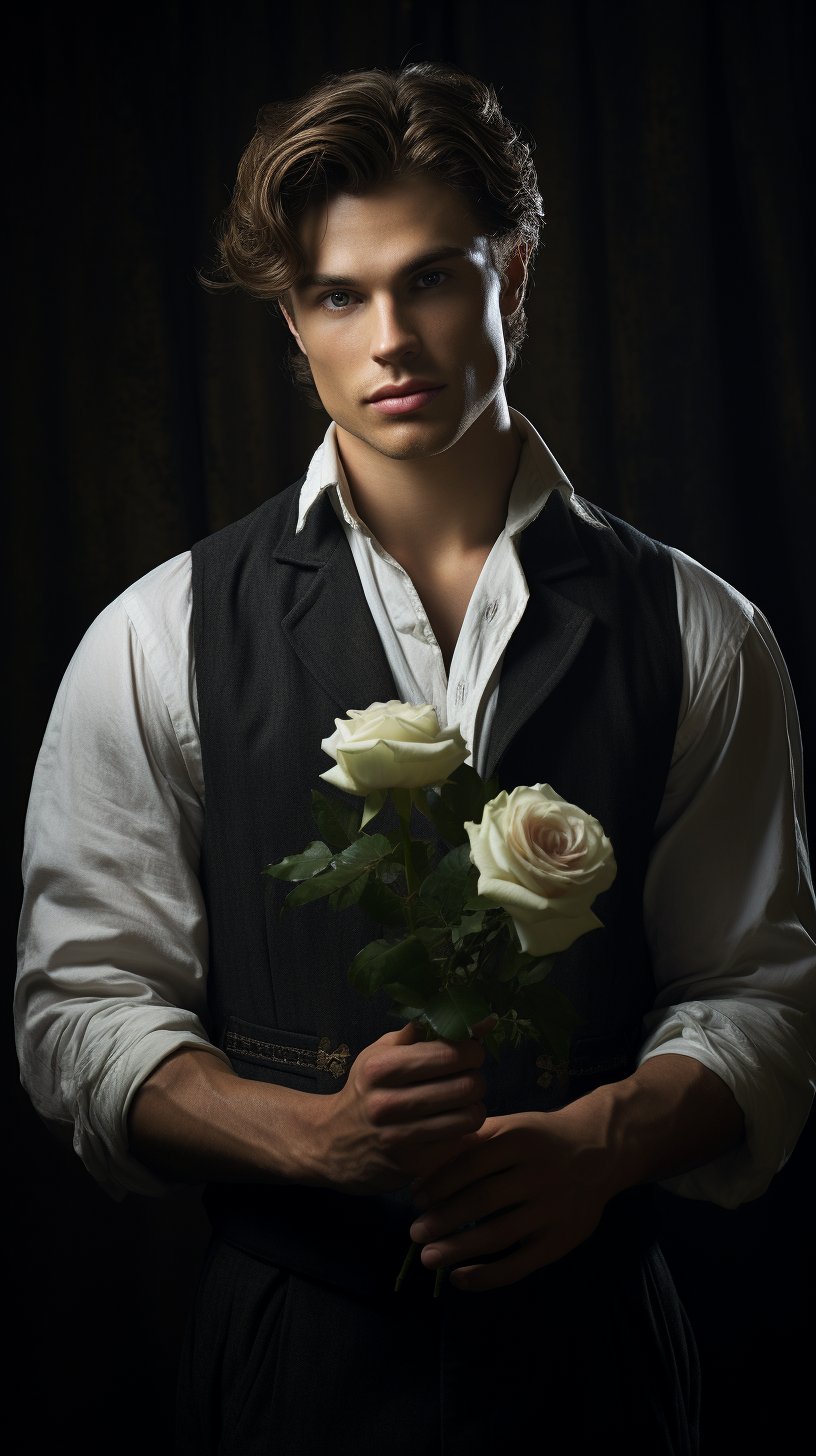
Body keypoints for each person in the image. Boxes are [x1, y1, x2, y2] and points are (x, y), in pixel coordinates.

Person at [15, 63, 814, 1456]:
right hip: (287, 1365)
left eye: (433, 277)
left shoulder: (703, 628)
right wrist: (305, 1138)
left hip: (597, 1363)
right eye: (339, 294)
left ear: (515, 271)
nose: (392, 337)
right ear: (294, 317)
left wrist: (607, 1142)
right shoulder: (153, 637)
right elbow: (80, 1002)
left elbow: (760, 986)